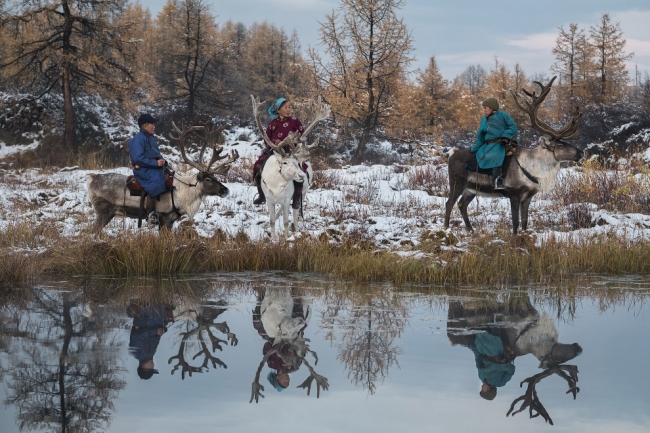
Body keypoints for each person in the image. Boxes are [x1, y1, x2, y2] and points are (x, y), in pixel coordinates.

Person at [252, 98, 305, 206]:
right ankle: (261, 194)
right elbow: (266, 139)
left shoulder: (295, 121)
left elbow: (303, 136)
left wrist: (293, 142)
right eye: (285, 107)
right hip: (274, 151)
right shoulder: (272, 124)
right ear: (278, 110)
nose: (289, 109)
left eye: (290, 107)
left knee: (300, 169)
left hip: (291, 152)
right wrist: (275, 142)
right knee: (258, 166)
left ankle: (296, 197)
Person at [469, 98, 518, 190]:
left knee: (496, 154)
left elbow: (513, 127)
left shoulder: (503, 115)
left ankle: (497, 180)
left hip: (502, 143)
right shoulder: (483, 120)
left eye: (485, 108)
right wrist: (474, 148)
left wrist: (506, 136)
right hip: (489, 145)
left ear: (492, 108)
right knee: (486, 155)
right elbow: (480, 137)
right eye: (483, 108)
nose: (484, 110)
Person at [129, 113, 167, 225]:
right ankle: (151, 213)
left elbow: (156, 154)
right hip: (142, 169)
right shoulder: (139, 139)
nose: (154, 126)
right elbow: (137, 158)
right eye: (152, 124)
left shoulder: (151, 138)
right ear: (145, 126)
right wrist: (155, 163)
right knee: (155, 181)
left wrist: (162, 160)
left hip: (152, 167)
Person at [127, 302, 173, 380]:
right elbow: (154, 337)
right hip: (157, 316)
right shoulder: (150, 354)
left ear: (144, 367)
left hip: (147, 314)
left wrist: (155, 331)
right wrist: (161, 331)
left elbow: (137, 335)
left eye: (151, 368)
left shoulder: (138, 353)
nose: (153, 365)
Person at [469, 332, 515, 400]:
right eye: (483, 390)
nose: (481, 388)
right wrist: (502, 365)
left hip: (484, 352)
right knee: (490, 343)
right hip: (496, 354)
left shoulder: (481, 377)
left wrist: (472, 347)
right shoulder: (500, 383)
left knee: (479, 343)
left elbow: (478, 359)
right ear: (488, 390)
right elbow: (511, 370)